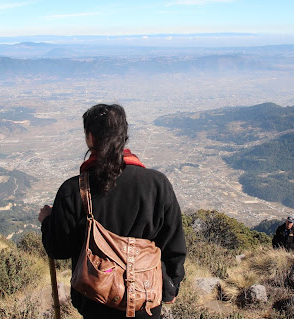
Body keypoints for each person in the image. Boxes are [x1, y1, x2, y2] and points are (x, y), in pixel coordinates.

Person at [38, 104, 187, 319]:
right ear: (124, 136)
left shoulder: (73, 190)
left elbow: (58, 248)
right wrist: (172, 285)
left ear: (90, 138)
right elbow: (173, 241)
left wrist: (48, 221)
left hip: (94, 300)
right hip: (145, 300)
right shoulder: (157, 184)